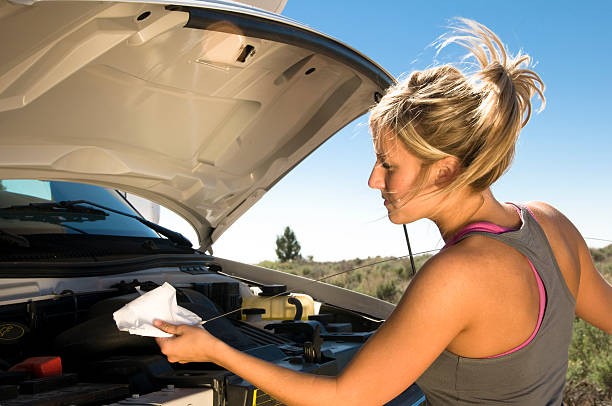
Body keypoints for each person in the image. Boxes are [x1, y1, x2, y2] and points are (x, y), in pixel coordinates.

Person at [154, 19, 612, 405]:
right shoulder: (548, 223)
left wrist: (215, 350)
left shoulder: (458, 274)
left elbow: (345, 398)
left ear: (444, 170)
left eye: (388, 164)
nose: (374, 179)